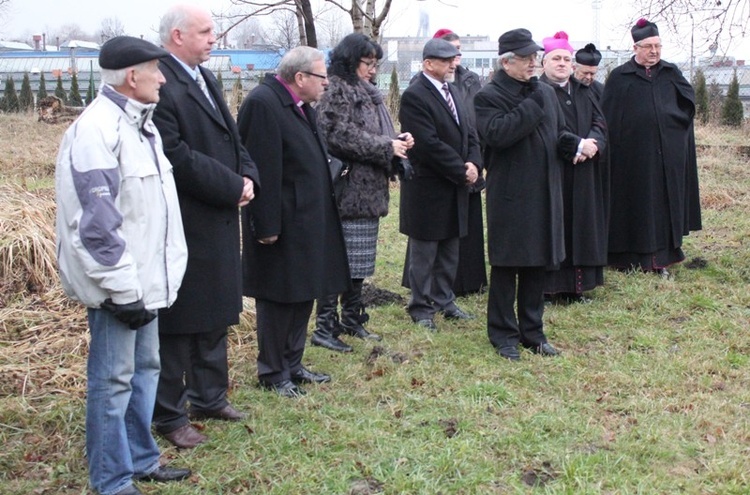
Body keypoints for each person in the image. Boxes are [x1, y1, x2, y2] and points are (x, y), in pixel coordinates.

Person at [55, 36, 190, 495]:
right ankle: (111, 479)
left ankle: (140, 458)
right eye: (156, 69)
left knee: (146, 367)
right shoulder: (97, 131)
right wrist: (122, 289)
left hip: (144, 281)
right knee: (112, 381)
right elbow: (97, 226)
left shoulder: (140, 126)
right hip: (121, 288)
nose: (163, 78)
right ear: (133, 77)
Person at [151, 4, 261, 449]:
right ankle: (170, 414)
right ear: (177, 36)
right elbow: (175, 154)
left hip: (218, 213)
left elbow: (232, 137)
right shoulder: (160, 82)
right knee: (179, 321)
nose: (214, 38)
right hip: (185, 218)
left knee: (216, 308)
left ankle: (210, 396)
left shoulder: (205, 76)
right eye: (205, 31)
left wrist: (249, 175)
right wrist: (230, 185)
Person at [238, 46, 350, 397]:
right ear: (300, 77)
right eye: (322, 77)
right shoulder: (263, 104)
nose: (326, 84)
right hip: (282, 224)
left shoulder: (300, 106)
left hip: (306, 220)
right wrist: (266, 226)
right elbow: (262, 170)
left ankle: (292, 362)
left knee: (303, 290)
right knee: (278, 296)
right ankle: (273, 371)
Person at [474, 28, 579, 361]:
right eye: (527, 58)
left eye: (535, 56)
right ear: (507, 62)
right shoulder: (488, 96)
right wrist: (534, 104)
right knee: (507, 267)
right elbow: (498, 134)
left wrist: (571, 143)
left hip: (546, 191)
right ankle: (503, 334)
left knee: (536, 266)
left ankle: (533, 333)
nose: (534, 62)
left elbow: (558, 130)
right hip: (511, 195)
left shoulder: (543, 93)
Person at [311, 33, 414, 353]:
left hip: (368, 189)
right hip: (347, 190)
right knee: (338, 262)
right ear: (350, 61)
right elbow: (337, 136)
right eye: (368, 63)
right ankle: (325, 327)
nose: (373, 69)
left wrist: (398, 140)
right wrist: (386, 146)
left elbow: (373, 134)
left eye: (375, 64)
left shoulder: (368, 92)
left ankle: (352, 319)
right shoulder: (336, 90)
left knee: (359, 263)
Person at [601, 19, 701, 276]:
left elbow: (688, 104)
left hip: (667, 158)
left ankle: (660, 260)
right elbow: (608, 117)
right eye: (648, 46)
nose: (654, 51)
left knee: (662, 206)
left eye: (658, 46)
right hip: (631, 160)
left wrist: (669, 122)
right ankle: (626, 258)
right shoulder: (620, 77)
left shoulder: (670, 73)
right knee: (633, 205)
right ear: (636, 47)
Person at [399, 38, 482, 332]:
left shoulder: (454, 90)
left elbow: (469, 132)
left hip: (455, 184)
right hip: (428, 187)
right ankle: (421, 307)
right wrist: (461, 170)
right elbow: (427, 144)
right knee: (425, 251)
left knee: (450, 247)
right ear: (428, 64)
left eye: (453, 59)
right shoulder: (414, 96)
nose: (452, 64)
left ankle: (444, 300)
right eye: (446, 60)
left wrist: (474, 163)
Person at [539, 31, 609, 304]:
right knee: (553, 228)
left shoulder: (584, 91)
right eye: (556, 58)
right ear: (544, 63)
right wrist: (576, 147)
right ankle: (547, 289)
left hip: (584, 172)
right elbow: (546, 130)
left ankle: (576, 288)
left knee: (581, 228)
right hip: (552, 171)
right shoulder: (538, 91)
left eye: (566, 59)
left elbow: (601, 122)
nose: (562, 63)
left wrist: (593, 144)